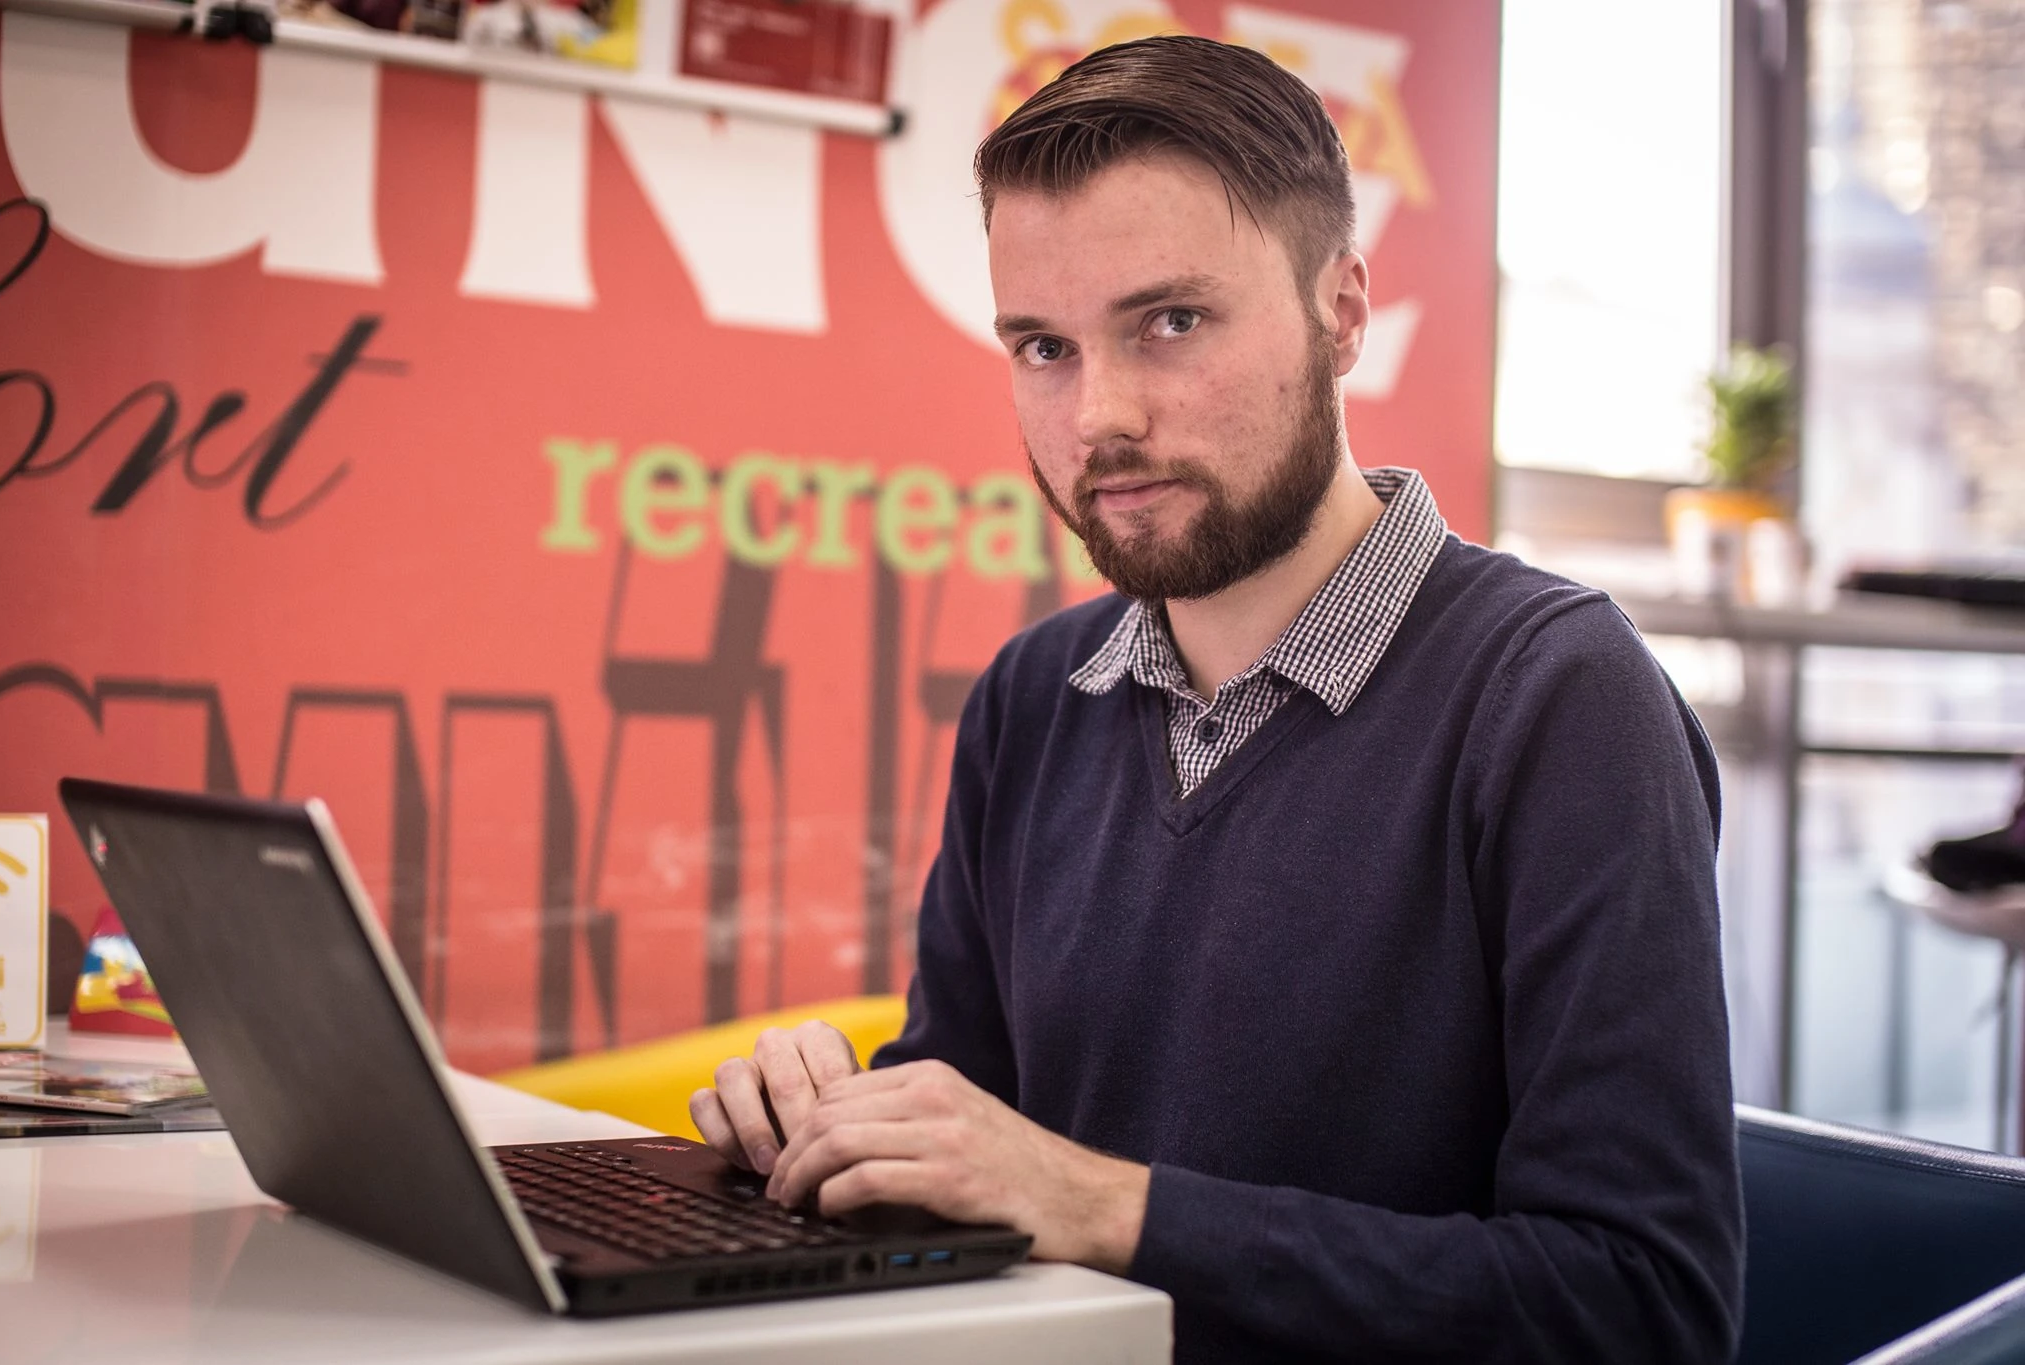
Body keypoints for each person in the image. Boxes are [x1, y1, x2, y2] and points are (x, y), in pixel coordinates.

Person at [689, 34, 1743, 1363]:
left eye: (1170, 323)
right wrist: (833, 1126)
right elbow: (980, 1125)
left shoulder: (1563, 702)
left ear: (1342, 309)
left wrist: (1106, 1206)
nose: (1100, 418)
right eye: (1045, 347)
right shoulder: (1034, 696)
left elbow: (1644, 1309)